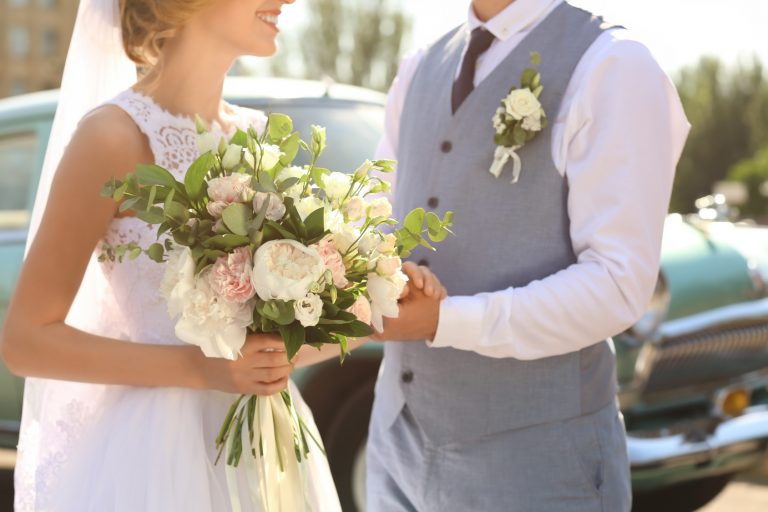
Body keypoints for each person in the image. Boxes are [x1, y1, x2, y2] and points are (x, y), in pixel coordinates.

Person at [0, 0, 443, 510]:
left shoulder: (256, 142)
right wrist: (199, 369)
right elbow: (26, 341)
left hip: (261, 453)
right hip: (151, 462)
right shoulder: (112, 137)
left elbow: (266, 349)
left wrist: (378, 309)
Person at [368, 0, 690, 510]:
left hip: (538, 462)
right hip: (395, 444)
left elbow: (617, 284)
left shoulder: (613, 65)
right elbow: (377, 222)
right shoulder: (418, 67)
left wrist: (445, 321)